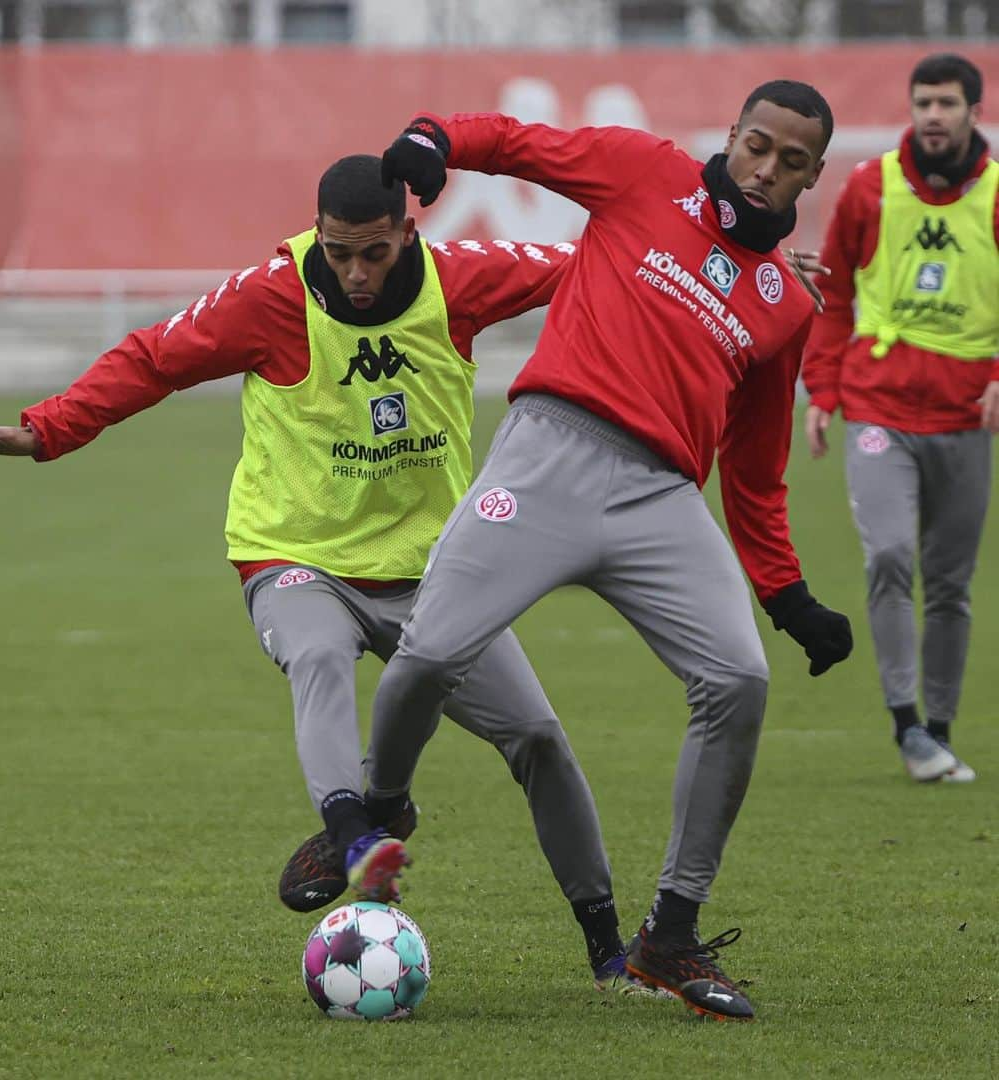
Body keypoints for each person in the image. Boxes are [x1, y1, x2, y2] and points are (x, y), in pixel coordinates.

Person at [0, 155, 661, 995]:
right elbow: (152, 357)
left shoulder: (460, 281)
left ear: (408, 235)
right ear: (318, 233)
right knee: (317, 657)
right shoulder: (269, 297)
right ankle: (354, 835)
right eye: (338, 251)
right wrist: (45, 430)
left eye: (373, 254)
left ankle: (611, 953)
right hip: (295, 557)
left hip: (433, 572)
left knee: (536, 738)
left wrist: (745, 279)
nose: (354, 272)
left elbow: (604, 267)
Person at [352, 82, 855, 1022]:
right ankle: (380, 808)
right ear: (734, 134)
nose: (766, 168)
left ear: (813, 176)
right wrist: (433, 139)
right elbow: (519, 141)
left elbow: (753, 467)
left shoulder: (785, 304)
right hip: (548, 453)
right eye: (757, 144)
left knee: (739, 679)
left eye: (791, 161)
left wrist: (786, 596)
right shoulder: (644, 172)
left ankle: (669, 935)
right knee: (425, 656)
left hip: (660, 496)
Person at [802, 54, 998, 785]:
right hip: (879, 408)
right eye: (923, 103)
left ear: (974, 110)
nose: (933, 116)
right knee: (889, 555)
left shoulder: (997, 195)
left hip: (965, 418)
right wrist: (823, 391)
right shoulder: (869, 188)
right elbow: (838, 294)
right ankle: (906, 723)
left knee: (950, 583)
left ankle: (939, 730)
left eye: (947, 103)